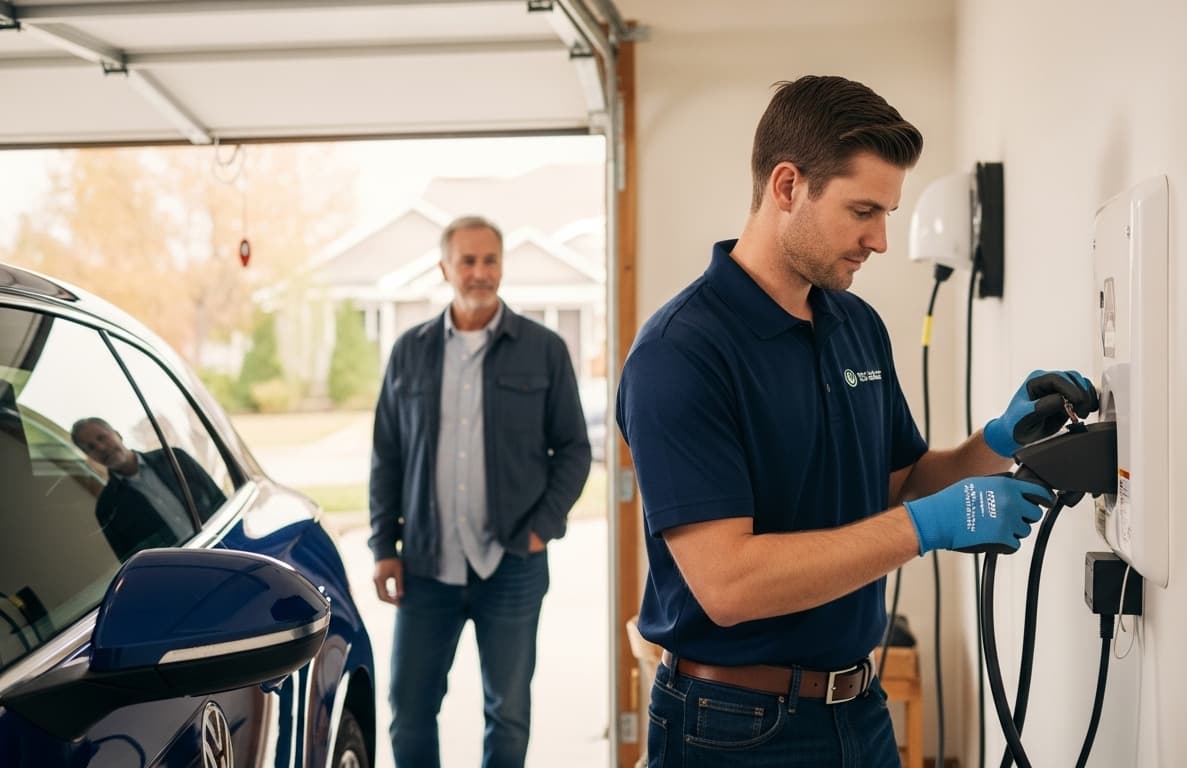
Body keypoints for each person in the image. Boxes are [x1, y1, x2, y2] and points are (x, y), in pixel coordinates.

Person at [616, 75, 1099, 767]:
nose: (879, 239)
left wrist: (998, 441)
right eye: (863, 211)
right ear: (788, 186)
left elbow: (905, 482)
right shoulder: (681, 353)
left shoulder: (855, 324)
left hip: (860, 710)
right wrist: (927, 528)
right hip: (731, 727)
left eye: (888, 213)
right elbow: (728, 586)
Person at [368, 215, 592, 768]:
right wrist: (383, 546)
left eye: (490, 260)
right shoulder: (410, 351)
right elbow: (387, 455)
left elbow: (573, 449)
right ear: (445, 268)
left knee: (508, 714)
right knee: (409, 708)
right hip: (426, 567)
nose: (480, 272)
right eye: (467, 261)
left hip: (512, 565)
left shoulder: (543, 349)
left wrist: (542, 529)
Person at [70, 416, 225, 560]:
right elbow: (133, 560)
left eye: (101, 437)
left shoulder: (174, 458)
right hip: (181, 568)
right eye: (90, 447)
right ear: (89, 456)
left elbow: (219, 499)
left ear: (118, 434)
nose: (101, 447)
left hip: (224, 544)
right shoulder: (107, 508)